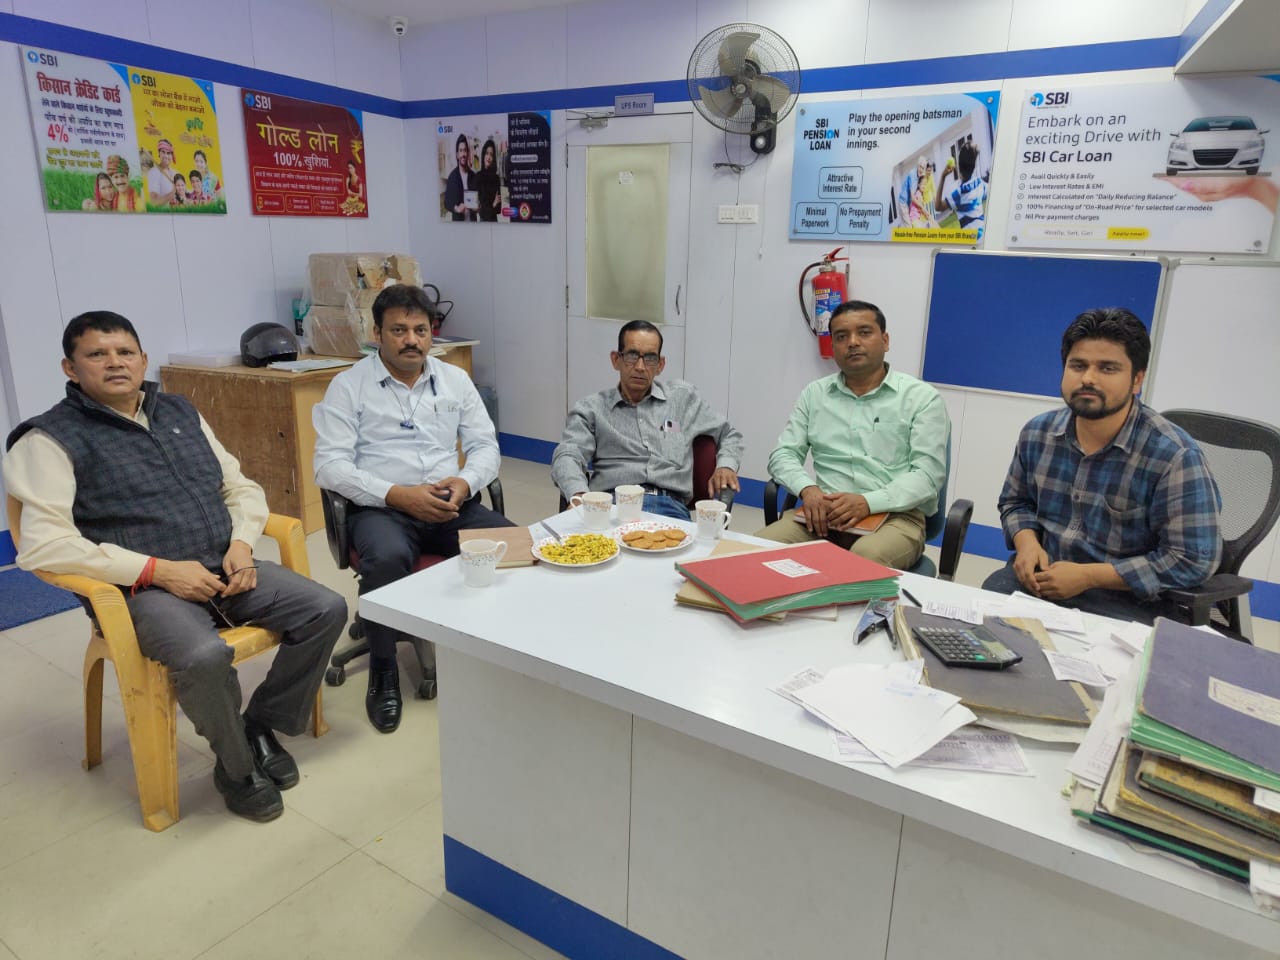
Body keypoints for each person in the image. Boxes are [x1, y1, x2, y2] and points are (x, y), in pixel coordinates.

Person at [3, 311, 347, 823]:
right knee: (203, 655)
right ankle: (236, 767)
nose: (115, 363)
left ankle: (258, 723)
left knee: (326, 608)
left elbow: (238, 486)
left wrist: (242, 543)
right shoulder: (48, 439)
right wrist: (157, 571)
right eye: (97, 354)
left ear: (143, 360)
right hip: (142, 591)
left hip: (224, 567)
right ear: (70, 368)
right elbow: (42, 545)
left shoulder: (179, 411)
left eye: (125, 352)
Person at [313, 283, 512, 733]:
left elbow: (485, 447)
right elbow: (329, 466)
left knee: (512, 547)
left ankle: (498, 653)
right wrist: (396, 494)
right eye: (399, 330)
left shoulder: (454, 380)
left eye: (420, 330)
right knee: (387, 559)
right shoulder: (349, 387)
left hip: (449, 502)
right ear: (377, 334)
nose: (411, 340)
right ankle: (383, 671)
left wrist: (465, 482)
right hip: (382, 507)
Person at [982, 307, 1221, 624]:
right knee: (981, 627)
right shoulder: (1037, 433)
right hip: (1042, 581)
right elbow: (1016, 501)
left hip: (1127, 600)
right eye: (1078, 365)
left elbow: (1192, 560)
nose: (1088, 378)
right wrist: (1026, 544)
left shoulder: (1174, 456)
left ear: (1137, 380)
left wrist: (1089, 576)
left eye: (1108, 368)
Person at [755, 300, 948, 569]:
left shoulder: (921, 398)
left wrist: (867, 502)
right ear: (833, 346)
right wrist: (808, 490)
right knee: (755, 553)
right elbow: (783, 454)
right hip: (822, 515)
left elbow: (928, 475)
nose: (853, 342)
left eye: (864, 332)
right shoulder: (815, 394)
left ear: (885, 340)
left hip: (894, 517)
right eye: (841, 337)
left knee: (859, 564)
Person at [552, 320, 743, 522]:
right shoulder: (592, 408)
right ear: (616, 359)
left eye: (650, 358)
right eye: (632, 356)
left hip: (671, 508)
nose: (640, 367)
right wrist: (578, 493)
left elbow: (729, 434)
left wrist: (726, 466)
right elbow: (567, 454)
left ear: (660, 365)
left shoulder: (682, 399)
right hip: (613, 507)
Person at [935, 141, 988, 240]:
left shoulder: (958, 195)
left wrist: (943, 176)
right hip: (984, 235)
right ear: (973, 166)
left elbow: (938, 206)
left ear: (959, 166)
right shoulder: (979, 184)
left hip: (971, 240)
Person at [443, 133, 477, 221]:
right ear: (457, 154)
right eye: (461, 150)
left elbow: (478, 201)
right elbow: (447, 202)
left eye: (465, 150)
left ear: (468, 153)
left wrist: (478, 206)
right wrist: (456, 208)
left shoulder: (474, 176)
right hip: (458, 224)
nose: (463, 154)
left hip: (473, 223)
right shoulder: (452, 177)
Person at [147, 139, 177, 207]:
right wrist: (173, 193)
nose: (166, 156)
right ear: (159, 153)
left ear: (172, 155)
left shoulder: (175, 173)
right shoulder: (154, 172)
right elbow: (154, 202)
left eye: (168, 153)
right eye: (163, 152)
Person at [477, 138, 501, 222]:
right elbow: (481, 211)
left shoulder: (496, 178)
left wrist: (488, 207)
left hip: (494, 220)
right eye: (487, 153)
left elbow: (498, 209)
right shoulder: (478, 176)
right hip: (483, 221)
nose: (489, 157)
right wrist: (493, 204)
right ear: (483, 155)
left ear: (493, 158)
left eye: (491, 154)